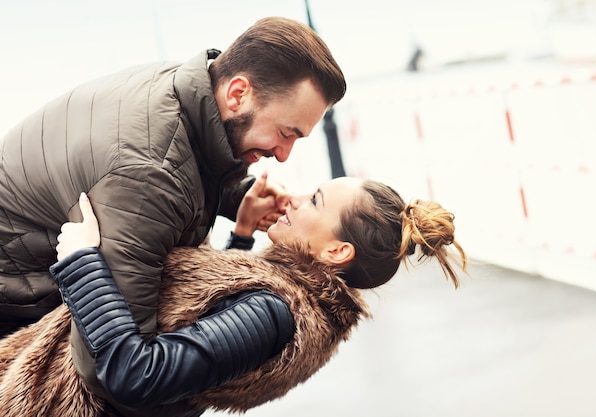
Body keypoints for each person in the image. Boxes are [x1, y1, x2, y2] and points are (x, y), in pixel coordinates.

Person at [0, 16, 346, 396]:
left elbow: (186, 155)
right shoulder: (149, 174)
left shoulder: (185, 86)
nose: (283, 156)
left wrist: (235, 194)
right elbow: (110, 371)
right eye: (285, 133)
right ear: (237, 93)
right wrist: (82, 266)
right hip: (14, 316)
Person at [0, 173, 467, 417]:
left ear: (336, 250)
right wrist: (242, 235)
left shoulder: (275, 315)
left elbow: (138, 375)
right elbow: (203, 315)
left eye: (316, 201)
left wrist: (82, 263)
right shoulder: (285, 298)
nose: (296, 199)